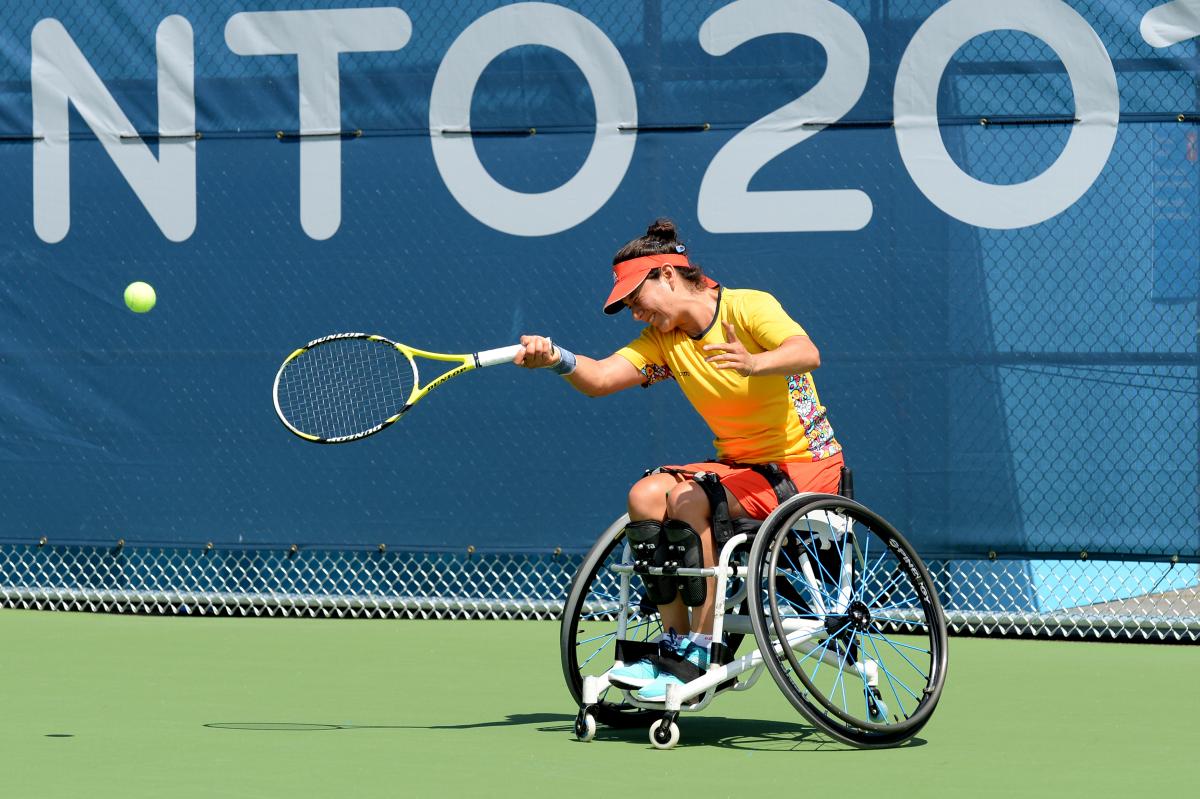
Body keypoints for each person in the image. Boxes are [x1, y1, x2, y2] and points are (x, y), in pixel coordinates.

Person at [515, 218, 844, 702]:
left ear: (668, 275)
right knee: (645, 497)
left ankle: (703, 647)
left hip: (803, 464)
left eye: (635, 299)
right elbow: (602, 378)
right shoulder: (665, 342)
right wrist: (557, 358)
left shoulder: (747, 307)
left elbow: (806, 352)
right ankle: (673, 644)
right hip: (738, 469)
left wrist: (755, 362)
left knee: (691, 498)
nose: (633, 314)